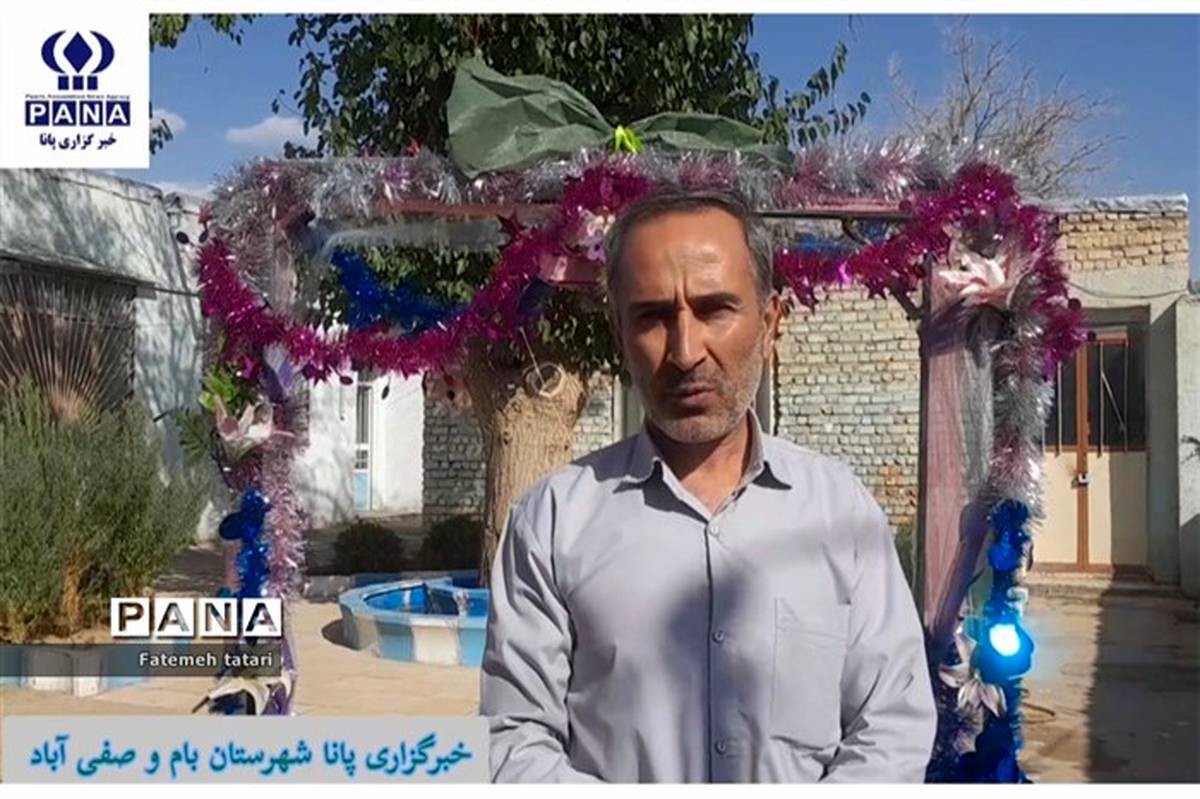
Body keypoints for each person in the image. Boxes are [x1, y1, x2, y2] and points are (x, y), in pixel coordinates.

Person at [480, 187, 937, 782]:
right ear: (619, 333)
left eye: (715, 309)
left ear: (770, 323)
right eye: (652, 317)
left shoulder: (840, 514)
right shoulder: (552, 522)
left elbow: (892, 725)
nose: (685, 351)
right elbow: (513, 740)